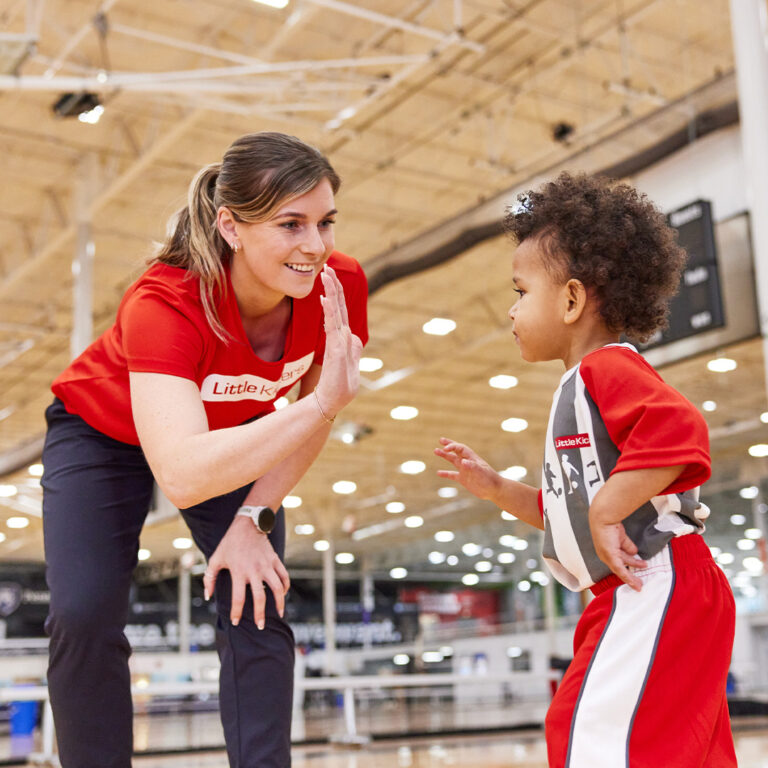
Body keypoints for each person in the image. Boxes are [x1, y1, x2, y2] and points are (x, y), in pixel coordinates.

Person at [41, 131, 368, 768]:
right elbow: (185, 473)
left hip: (233, 436)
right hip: (102, 433)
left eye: (325, 222)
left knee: (258, 597)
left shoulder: (339, 285)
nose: (315, 245)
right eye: (291, 223)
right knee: (83, 612)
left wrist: (255, 518)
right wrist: (320, 404)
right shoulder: (165, 302)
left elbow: (310, 415)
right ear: (231, 226)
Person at [435, 172, 736, 768]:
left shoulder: (606, 370)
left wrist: (606, 509)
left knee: (587, 736)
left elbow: (682, 433)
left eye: (521, 291)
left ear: (571, 300)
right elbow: (567, 515)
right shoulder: (582, 386)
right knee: (681, 751)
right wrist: (496, 488)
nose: (513, 310)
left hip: (656, 580)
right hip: (642, 587)